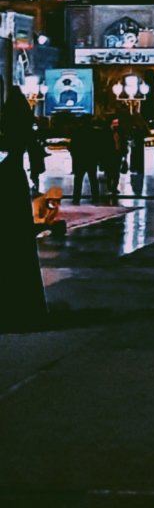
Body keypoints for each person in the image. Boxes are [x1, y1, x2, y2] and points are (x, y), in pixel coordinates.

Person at [0, 91, 48, 330]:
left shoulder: (8, 144)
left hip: (7, 184)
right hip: (14, 186)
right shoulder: (22, 131)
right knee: (18, 247)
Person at [70, 116, 101, 205]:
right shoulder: (94, 132)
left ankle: (76, 199)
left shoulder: (77, 132)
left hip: (80, 159)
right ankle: (95, 198)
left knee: (78, 180)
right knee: (93, 179)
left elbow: (73, 147)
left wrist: (75, 156)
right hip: (91, 159)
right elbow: (98, 147)